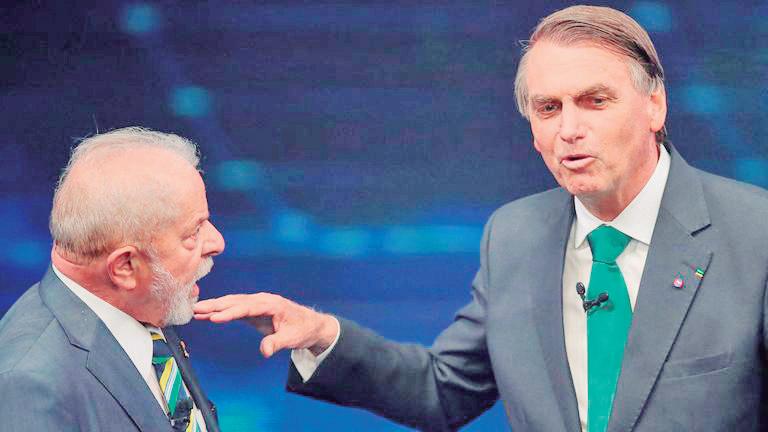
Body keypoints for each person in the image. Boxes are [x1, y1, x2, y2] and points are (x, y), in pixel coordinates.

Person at [194, 5, 768, 432]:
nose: (569, 129)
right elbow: (442, 392)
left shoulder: (755, 232)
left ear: (654, 105)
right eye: (548, 108)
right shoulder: (514, 236)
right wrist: (324, 337)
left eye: (595, 101)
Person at [0, 127, 226, 431]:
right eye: (193, 232)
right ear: (125, 267)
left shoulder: (143, 306)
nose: (217, 242)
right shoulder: (31, 388)